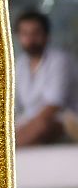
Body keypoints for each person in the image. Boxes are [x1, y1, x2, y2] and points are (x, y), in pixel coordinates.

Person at [16, 11, 75, 148]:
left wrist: (24, 131)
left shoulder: (60, 60)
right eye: (25, 34)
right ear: (19, 37)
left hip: (62, 121)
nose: (30, 39)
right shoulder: (19, 64)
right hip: (29, 121)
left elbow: (53, 106)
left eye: (35, 33)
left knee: (42, 125)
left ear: (47, 36)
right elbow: (16, 106)